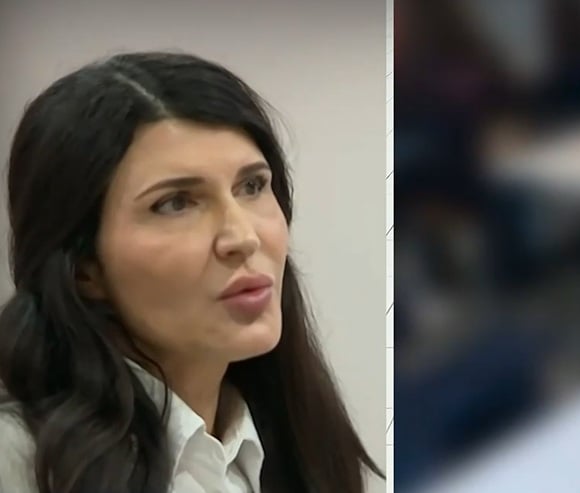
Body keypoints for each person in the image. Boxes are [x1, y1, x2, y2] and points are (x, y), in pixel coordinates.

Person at [0, 52, 382, 493]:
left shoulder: (294, 447)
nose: (243, 237)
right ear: (85, 269)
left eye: (253, 186)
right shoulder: (21, 462)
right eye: (175, 203)